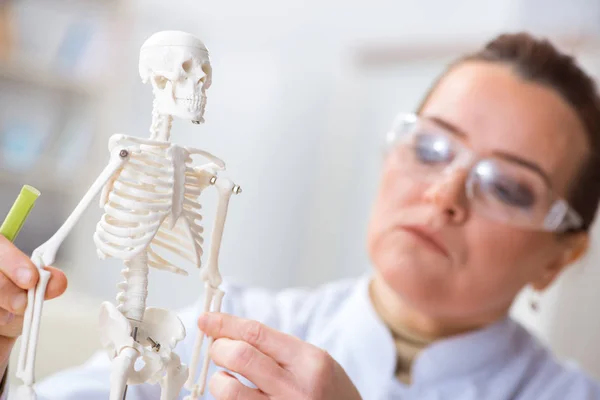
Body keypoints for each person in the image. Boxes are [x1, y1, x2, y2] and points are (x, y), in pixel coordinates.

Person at [1, 31, 600, 400]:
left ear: (561, 256)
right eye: (432, 146)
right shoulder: (227, 328)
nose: (446, 193)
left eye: (509, 187)